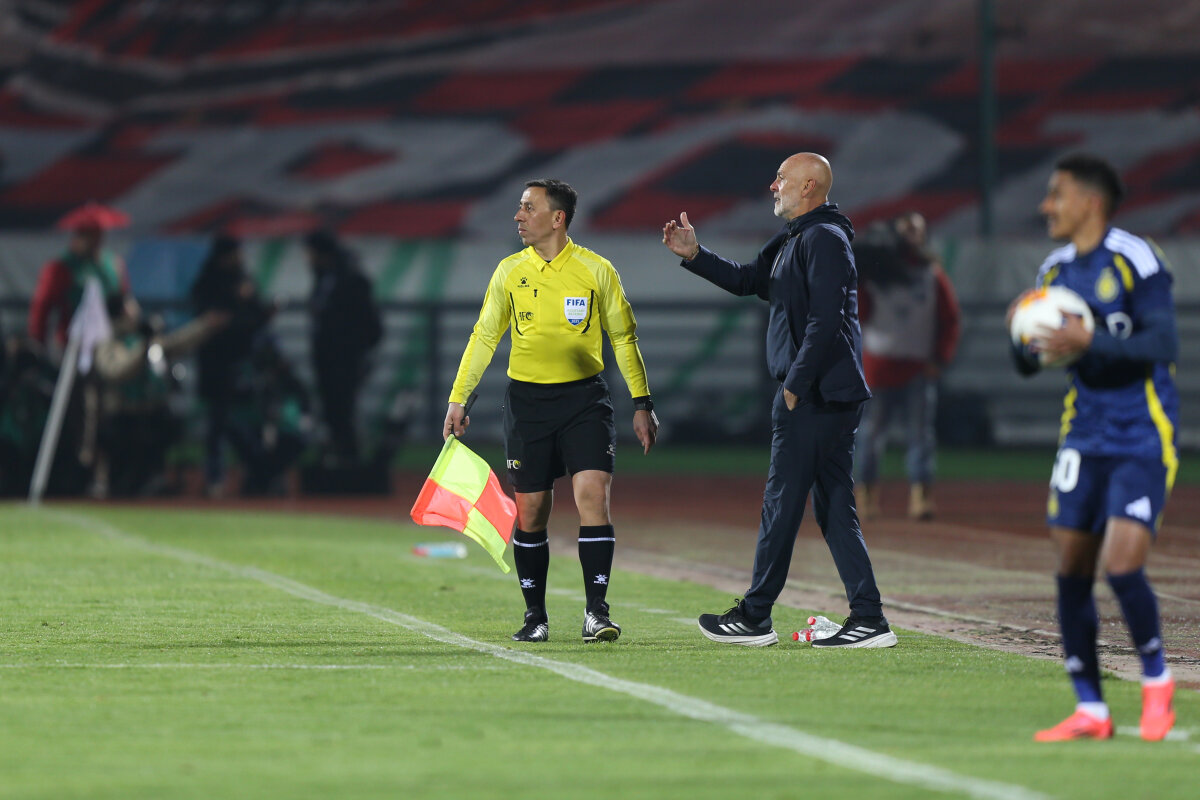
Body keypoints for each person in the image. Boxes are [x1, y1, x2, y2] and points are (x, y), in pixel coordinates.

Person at [662, 152, 895, 649]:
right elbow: (750, 280)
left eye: (782, 178)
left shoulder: (823, 238)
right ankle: (869, 617)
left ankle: (754, 616)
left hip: (814, 395)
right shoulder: (799, 236)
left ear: (809, 186)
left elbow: (826, 321)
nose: (773, 185)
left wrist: (795, 384)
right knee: (833, 508)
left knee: (782, 503)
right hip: (823, 393)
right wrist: (695, 255)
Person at [444, 178, 659, 644]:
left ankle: (596, 612)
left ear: (557, 218)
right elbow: (484, 336)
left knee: (593, 497)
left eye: (528, 207)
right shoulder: (509, 271)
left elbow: (624, 338)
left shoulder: (596, 270)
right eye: (520, 207)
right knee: (531, 512)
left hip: (585, 401)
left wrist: (642, 403)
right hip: (528, 405)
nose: (518, 216)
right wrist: (458, 398)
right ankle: (535, 616)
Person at [1009, 153, 1178, 742]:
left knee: (1123, 566)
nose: (1045, 206)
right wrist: (1022, 336)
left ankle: (1157, 682)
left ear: (1090, 202)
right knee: (1071, 571)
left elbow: (1163, 342)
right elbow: (1030, 365)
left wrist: (1090, 339)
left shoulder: (1135, 258)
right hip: (1082, 433)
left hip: (1141, 432)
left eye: (1055, 194)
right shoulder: (1053, 270)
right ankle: (1091, 709)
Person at [853, 212, 961, 521]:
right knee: (870, 436)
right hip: (878, 368)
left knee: (921, 436)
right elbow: (859, 314)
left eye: (917, 230)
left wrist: (940, 358)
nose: (911, 236)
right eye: (906, 230)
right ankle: (865, 494)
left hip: (918, 368)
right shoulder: (874, 273)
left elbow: (950, 318)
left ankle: (920, 496)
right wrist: (859, 278)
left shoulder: (931, 274)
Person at [189, 235, 275, 496]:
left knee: (245, 422)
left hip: (243, 362)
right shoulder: (208, 282)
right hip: (216, 364)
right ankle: (216, 477)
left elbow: (255, 317)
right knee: (219, 422)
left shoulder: (244, 281)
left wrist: (255, 306)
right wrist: (234, 302)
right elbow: (207, 317)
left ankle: (257, 475)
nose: (240, 258)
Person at [305, 229, 382, 465]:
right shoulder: (324, 278)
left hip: (346, 359)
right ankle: (338, 457)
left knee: (343, 410)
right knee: (333, 410)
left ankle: (349, 460)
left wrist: (354, 350)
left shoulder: (350, 280)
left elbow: (370, 325)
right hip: (327, 360)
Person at [28, 202, 136, 349]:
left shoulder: (113, 264)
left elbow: (124, 297)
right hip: (73, 341)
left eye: (97, 234)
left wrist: (129, 311)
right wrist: (38, 342)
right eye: (88, 234)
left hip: (110, 340)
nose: (95, 240)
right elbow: (42, 308)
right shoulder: (61, 268)